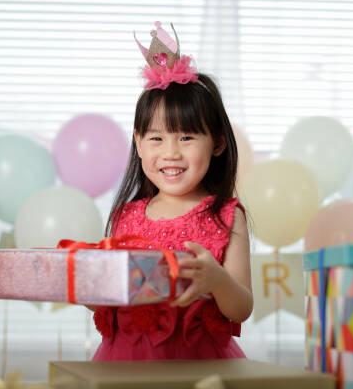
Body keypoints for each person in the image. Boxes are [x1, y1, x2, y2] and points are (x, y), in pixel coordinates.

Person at [91, 22, 253, 360]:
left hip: (199, 360)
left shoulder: (226, 216)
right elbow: (112, 294)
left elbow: (242, 308)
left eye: (187, 137)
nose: (171, 153)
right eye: (156, 138)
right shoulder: (127, 215)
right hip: (126, 360)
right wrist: (91, 284)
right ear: (138, 142)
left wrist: (217, 281)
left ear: (218, 142)